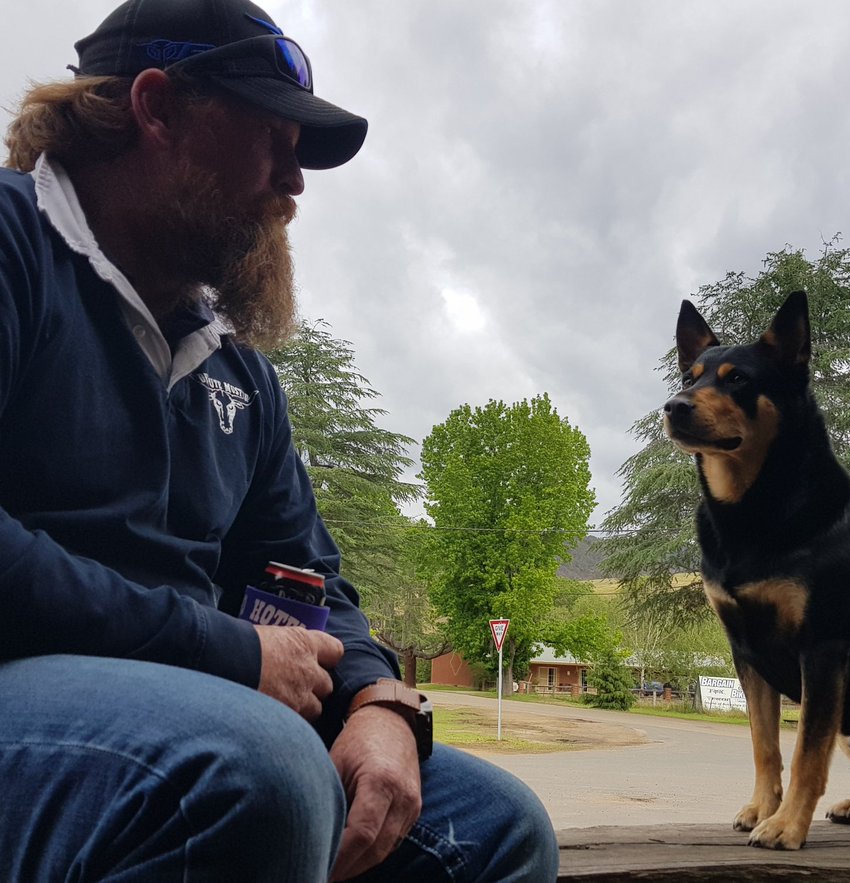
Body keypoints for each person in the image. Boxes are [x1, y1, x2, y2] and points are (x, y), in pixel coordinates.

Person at [0, 0, 558, 880]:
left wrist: (380, 699)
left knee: (499, 830)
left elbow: (304, 571)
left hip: (201, 719)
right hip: (32, 692)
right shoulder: (12, 248)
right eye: (274, 138)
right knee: (258, 769)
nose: (295, 185)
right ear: (157, 108)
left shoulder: (237, 366)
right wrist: (222, 650)